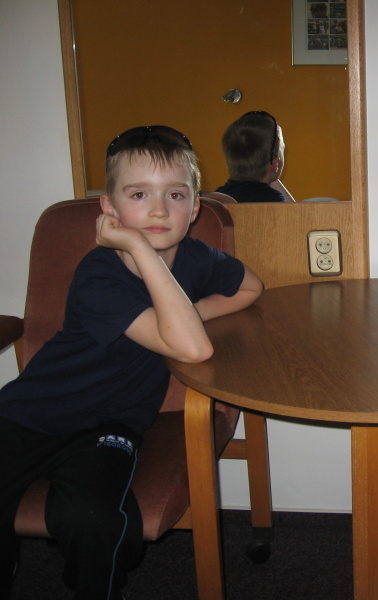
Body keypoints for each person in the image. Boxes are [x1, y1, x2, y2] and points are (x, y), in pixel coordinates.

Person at [0, 125, 264, 600]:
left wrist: (191, 313)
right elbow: (192, 348)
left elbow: (250, 288)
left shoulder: (198, 257)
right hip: (30, 411)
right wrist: (140, 248)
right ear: (110, 209)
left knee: (92, 518)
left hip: (110, 424)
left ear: (195, 207)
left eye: (175, 195)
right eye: (139, 194)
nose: (159, 209)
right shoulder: (98, 274)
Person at [216, 110, 296, 203]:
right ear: (276, 163)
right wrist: (270, 170)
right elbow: (295, 211)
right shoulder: (273, 200)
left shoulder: (217, 196)